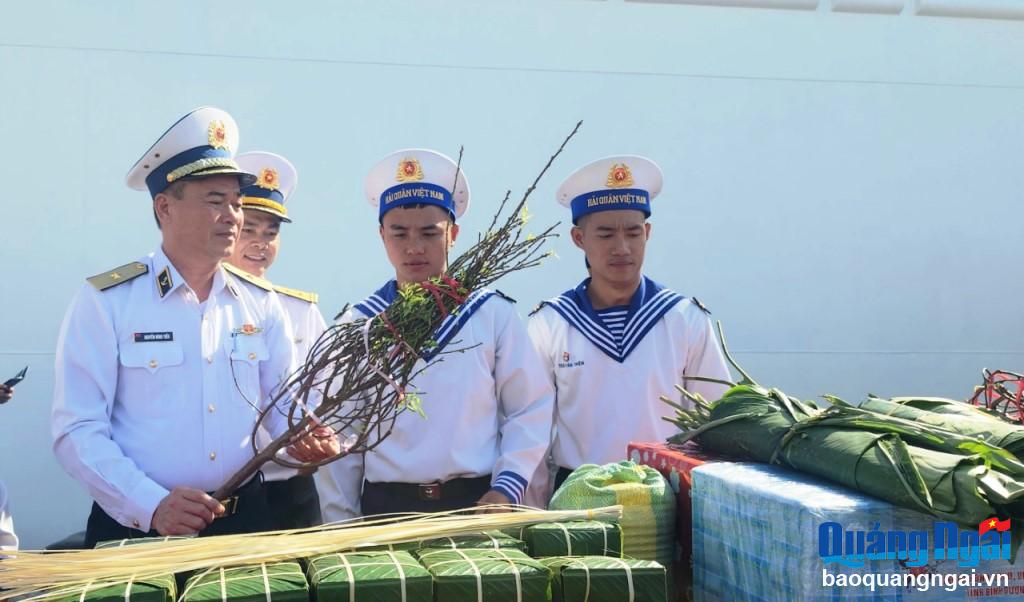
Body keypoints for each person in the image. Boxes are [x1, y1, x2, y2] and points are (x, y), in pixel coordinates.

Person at [52, 107, 338, 547]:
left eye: (237, 204)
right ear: (164, 206)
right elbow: (77, 430)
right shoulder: (108, 301)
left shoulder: (260, 303)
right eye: (215, 201)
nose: (233, 217)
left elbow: (282, 408)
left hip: (244, 525)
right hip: (138, 531)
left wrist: (305, 439)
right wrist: (150, 503)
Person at [317, 149, 554, 520]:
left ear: (453, 234)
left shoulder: (490, 313)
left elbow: (530, 407)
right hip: (385, 514)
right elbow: (341, 435)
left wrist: (506, 488)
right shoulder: (359, 326)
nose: (414, 247)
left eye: (430, 233)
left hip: (475, 506)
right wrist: (342, 527)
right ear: (381, 235)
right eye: (399, 233)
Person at [527, 155, 731, 500]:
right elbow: (530, 431)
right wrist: (530, 520)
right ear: (579, 238)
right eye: (605, 234)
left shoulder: (683, 318)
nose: (622, 248)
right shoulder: (550, 324)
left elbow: (719, 423)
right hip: (578, 499)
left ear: (647, 232)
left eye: (633, 232)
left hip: (666, 496)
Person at [226, 151, 327, 530]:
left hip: (293, 490)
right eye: (248, 229)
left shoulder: (300, 310)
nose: (261, 243)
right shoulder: (203, 307)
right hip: (227, 494)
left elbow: (322, 392)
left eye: (271, 232)